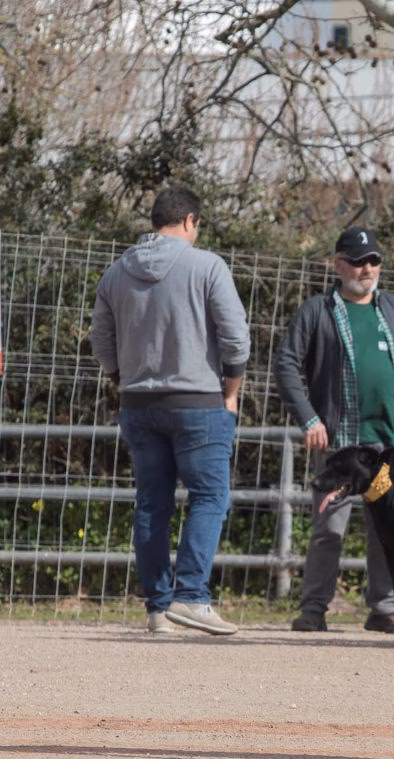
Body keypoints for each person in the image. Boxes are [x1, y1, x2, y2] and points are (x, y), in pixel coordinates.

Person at [89, 186, 249, 635]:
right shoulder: (207, 266)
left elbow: (101, 340)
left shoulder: (116, 273)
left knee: (151, 504)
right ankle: (192, 596)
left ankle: (159, 608)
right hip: (199, 401)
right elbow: (236, 336)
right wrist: (230, 388)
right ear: (190, 221)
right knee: (209, 496)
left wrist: (123, 377)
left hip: (138, 403)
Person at [274, 227, 394, 633]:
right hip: (339, 442)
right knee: (328, 526)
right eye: (357, 260)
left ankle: (385, 608)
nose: (366, 268)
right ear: (338, 264)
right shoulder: (318, 311)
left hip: (392, 443)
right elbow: (286, 365)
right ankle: (313, 609)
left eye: (373, 260)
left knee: (388, 529)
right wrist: (309, 418)